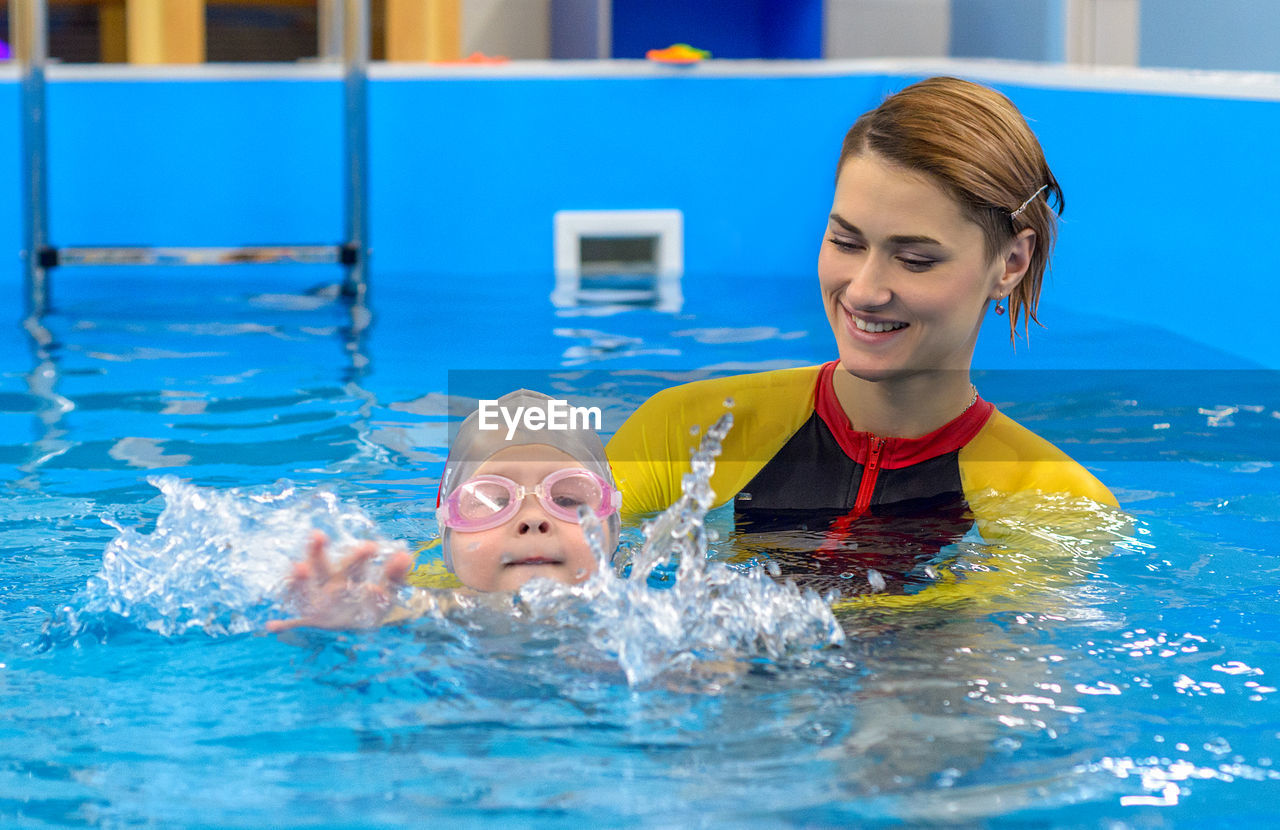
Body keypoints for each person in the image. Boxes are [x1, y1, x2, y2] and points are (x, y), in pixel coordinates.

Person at [606, 76, 1117, 598]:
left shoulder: (1059, 504)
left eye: (916, 260)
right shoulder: (682, 433)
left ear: (1010, 263)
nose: (865, 290)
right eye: (845, 241)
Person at [267, 390, 622, 630]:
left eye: (568, 499)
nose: (532, 519)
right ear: (447, 536)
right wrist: (344, 628)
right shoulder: (422, 617)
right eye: (492, 501)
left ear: (613, 531)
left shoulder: (660, 612)